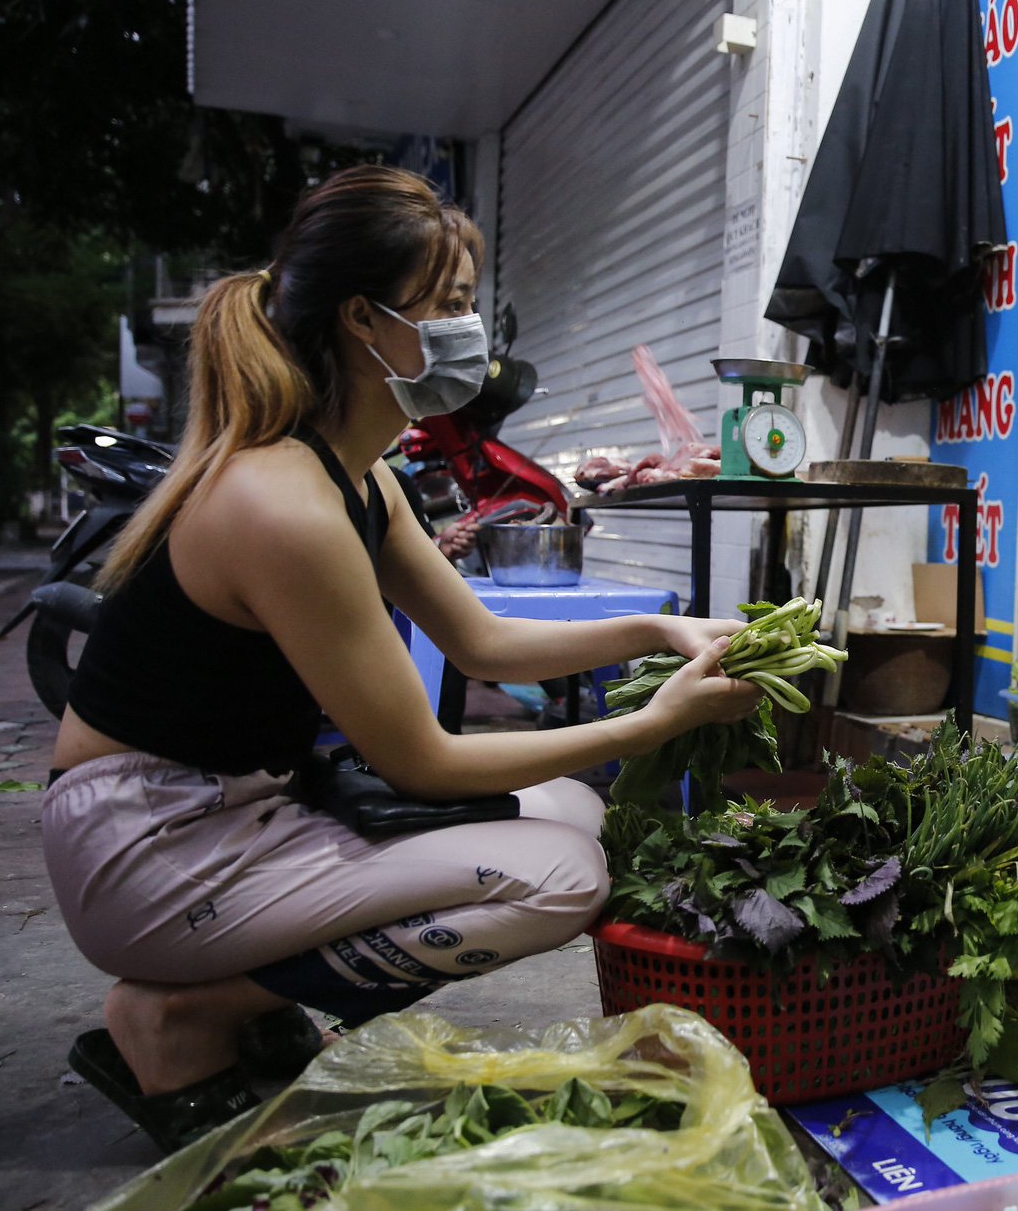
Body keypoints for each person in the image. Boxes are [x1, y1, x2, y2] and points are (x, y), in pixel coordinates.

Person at [44, 166, 759, 1151]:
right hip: (146, 847)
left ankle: (244, 1004)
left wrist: (663, 631)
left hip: (239, 807)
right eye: (452, 305)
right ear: (363, 320)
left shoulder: (359, 476)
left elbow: (482, 639)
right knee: (557, 876)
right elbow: (419, 759)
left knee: (578, 811)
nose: (471, 333)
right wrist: (656, 721)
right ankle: (186, 1013)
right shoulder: (281, 502)